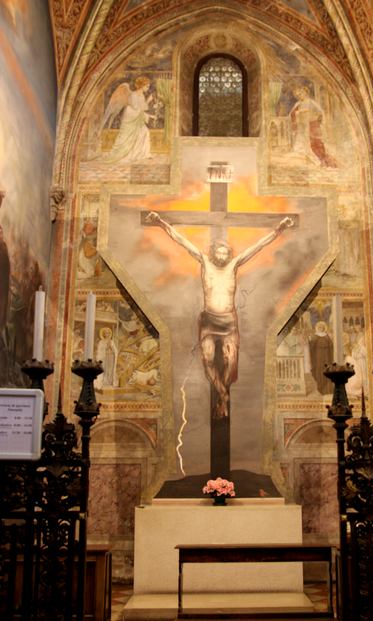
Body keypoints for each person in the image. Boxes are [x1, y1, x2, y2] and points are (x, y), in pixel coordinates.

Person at [146, 213, 294, 418]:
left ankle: (222, 396)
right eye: (220, 252)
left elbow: (258, 246)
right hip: (209, 321)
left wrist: (279, 229)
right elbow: (180, 240)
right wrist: (160, 222)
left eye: (226, 253)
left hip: (229, 322)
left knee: (231, 362)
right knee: (207, 359)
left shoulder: (234, 264)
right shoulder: (204, 262)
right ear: (214, 253)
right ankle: (223, 396)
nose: (223, 256)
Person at [102, 77, 154, 163]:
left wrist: (149, 115)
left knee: (145, 132)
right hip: (130, 119)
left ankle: (142, 154)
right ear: (141, 85)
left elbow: (142, 109)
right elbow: (136, 108)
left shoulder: (142, 95)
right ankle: (128, 155)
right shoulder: (133, 95)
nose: (148, 88)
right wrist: (148, 101)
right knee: (126, 139)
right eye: (147, 86)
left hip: (137, 119)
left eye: (148, 86)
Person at [289, 86, 337, 167]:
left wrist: (316, 120)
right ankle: (317, 162)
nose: (300, 95)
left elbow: (320, 112)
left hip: (312, 124)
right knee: (307, 145)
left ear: (306, 93)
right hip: (303, 127)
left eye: (302, 93)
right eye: (299, 94)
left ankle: (324, 161)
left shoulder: (311, 102)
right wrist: (297, 114)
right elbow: (292, 114)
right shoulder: (298, 104)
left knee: (316, 143)